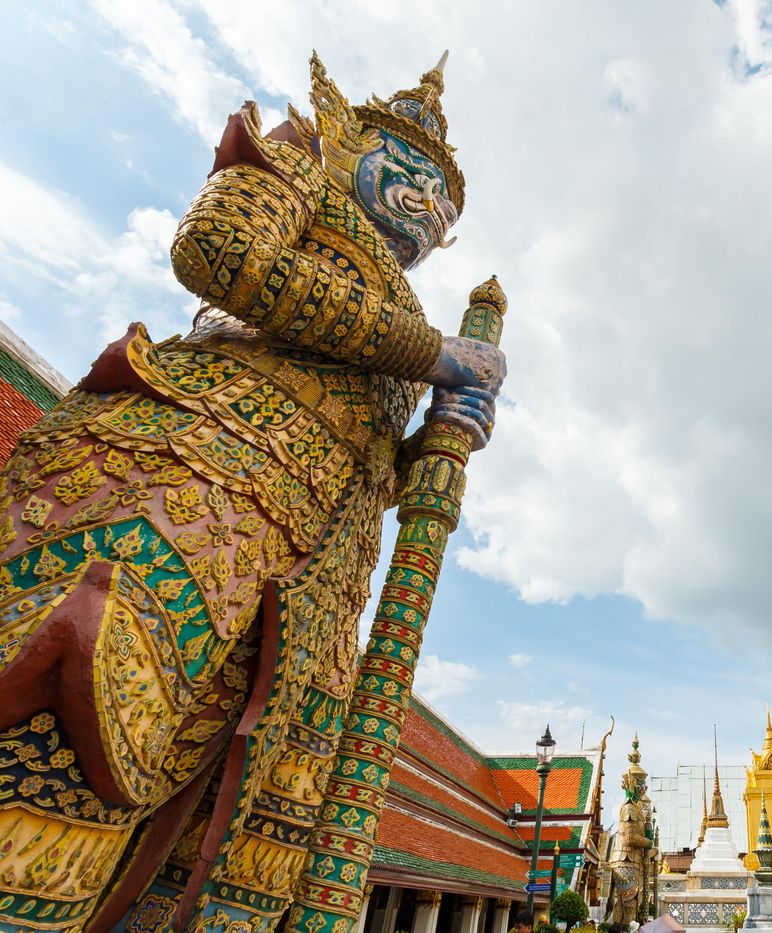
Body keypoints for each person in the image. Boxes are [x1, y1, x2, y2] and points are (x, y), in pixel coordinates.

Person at [0, 50, 504, 933]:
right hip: (195, 478)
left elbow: (376, 469)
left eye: (443, 203)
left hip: (317, 584)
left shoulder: (402, 321)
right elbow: (219, 252)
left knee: (243, 844)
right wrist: (432, 357)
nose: (427, 205)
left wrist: (439, 443)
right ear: (353, 146)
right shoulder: (299, 158)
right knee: (71, 748)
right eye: (410, 174)